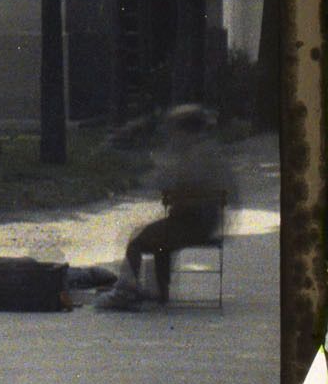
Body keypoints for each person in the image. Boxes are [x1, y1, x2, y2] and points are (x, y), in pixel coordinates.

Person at [97, 105, 232, 311]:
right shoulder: (208, 151)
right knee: (159, 239)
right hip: (207, 221)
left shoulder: (193, 154)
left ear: (183, 129)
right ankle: (160, 290)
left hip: (193, 223)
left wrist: (152, 176)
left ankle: (126, 290)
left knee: (136, 240)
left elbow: (176, 183)